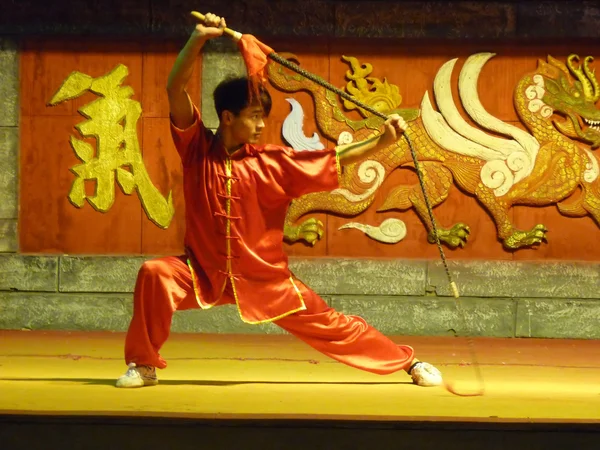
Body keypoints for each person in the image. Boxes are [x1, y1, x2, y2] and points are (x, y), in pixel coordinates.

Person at [116, 13, 442, 388]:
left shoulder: (270, 162)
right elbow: (175, 89)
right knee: (155, 273)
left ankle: (409, 363)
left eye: (262, 118)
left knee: (331, 324)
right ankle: (143, 365)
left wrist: (380, 143)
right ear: (226, 117)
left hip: (266, 280)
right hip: (203, 274)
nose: (260, 126)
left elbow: (331, 159)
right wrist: (197, 40)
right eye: (253, 117)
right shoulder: (196, 150)